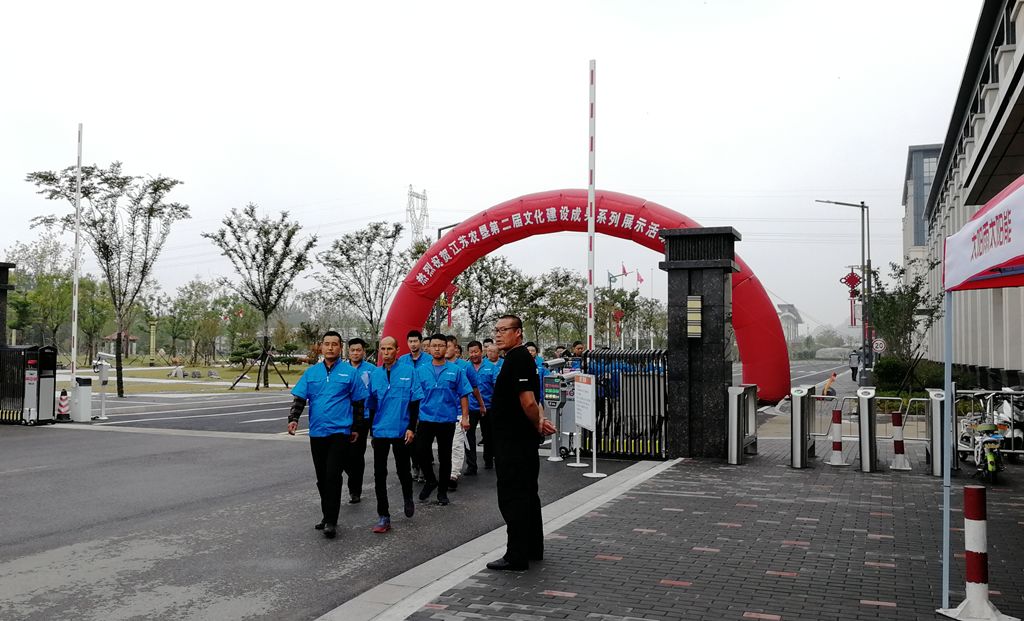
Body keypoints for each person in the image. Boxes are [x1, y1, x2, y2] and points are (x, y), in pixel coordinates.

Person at [486, 315, 556, 571]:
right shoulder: (520, 359)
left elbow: (527, 401)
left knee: (513, 496)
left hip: (514, 443)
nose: (498, 334)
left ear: (518, 333)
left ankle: (516, 555)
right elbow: (532, 400)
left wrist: (537, 422)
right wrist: (539, 420)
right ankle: (532, 548)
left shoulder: (517, 359)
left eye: (504, 330)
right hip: (518, 440)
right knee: (527, 495)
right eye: (496, 330)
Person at [287, 331, 368, 539]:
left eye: (334, 344)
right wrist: (293, 419)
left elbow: (359, 403)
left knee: (333, 475)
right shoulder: (311, 373)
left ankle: (331, 520)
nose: (330, 347)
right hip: (317, 432)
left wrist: (356, 428)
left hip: (340, 432)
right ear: (321, 347)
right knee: (322, 477)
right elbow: (299, 399)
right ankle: (326, 515)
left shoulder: (350, 373)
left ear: (340, 348)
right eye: (327, 344)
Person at [367, 336, 422, 533]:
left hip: (401, 429)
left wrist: (411, 428)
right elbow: (371, 405)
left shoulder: (409, 372)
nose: (386, 352)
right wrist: (372, 431)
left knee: (403, 470)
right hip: (381, 430)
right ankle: (384, 515)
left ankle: (408, 497)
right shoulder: (375, 374)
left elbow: (415, 402)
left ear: (397, 350)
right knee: (379, 474)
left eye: (390, 348)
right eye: (383, 349)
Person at [414, 333, 472, 505]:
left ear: (446, 348)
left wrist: (465, 417)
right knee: (420, 451)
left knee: (445, 456)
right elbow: (415, 396)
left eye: (441, 345)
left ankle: (442, 492)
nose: (437, 348)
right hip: (425, 418)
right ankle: (431, 480)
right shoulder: (421, 370)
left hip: (447, 419)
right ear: (429, 348)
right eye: (434, 346)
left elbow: (463, 395)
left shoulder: (456, 370)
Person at [446, 337, 486, 490]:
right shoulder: (435, 365)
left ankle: (454, 474)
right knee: (446, 446)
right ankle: (446, 470)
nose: (444, 349)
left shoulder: (465, 366)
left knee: (457, 444)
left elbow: (474, 389)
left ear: (455, 348)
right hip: (441, 414)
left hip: (458, 412)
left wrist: (481, 405)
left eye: (448, 346)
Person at [344, 337, 375, 504]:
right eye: (352, 350)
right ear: (348, 352)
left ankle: (355, 490)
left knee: (357, 454)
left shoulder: (371, 370)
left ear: (364, 352)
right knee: (342, 455)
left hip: (363, 418)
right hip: (342, 417)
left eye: (358, 350)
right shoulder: (341, 369)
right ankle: (354, 477)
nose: (355, 353)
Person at [399, 329, 428, 482]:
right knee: (410, 439)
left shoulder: (429, 359)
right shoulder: (402, 360)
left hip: (425, 405)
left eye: (415, 341)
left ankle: (424, 468)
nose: (413, 344)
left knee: (422, 441)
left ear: (421, 342)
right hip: (408, 405)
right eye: (410, 341)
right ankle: (415, 465)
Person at [466, 340, 497, 474]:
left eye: (476, 351)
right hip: (471, 407)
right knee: (469, 437)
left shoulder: (491, 367)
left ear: (481, 351)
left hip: (488, 407)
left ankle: (488, 459)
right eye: (471, 352)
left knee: (488, 435)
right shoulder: (465, 367)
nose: (474, 355)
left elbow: (497, 386)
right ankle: (471, 465)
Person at [480, 342, 503, 469]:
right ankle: (488, 457)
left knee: (496, 432)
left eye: (493, 351)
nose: (490, 353)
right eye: (488, 351)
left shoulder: (503, 364)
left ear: (498, 353)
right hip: (482, 404)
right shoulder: (482, 364)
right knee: (486, 433)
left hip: (496, 404)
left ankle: (497, 454)